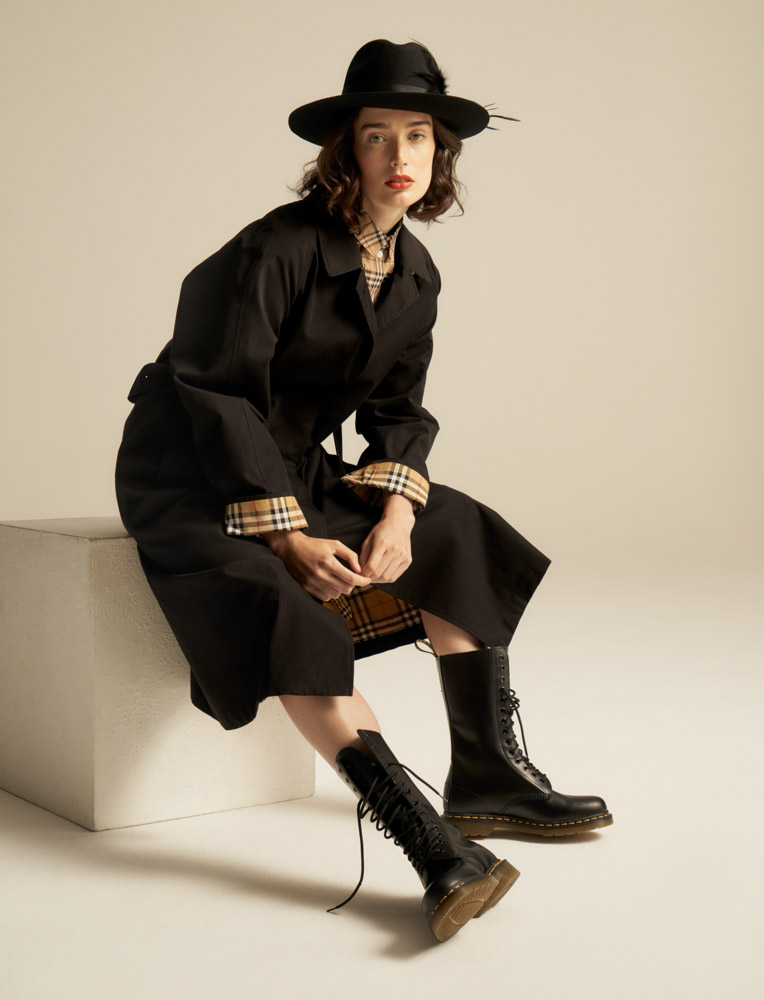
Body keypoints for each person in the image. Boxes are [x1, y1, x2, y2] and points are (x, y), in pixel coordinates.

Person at [115, 39, 612, 942]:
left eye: (417, 136)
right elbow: (216, 394)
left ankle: (489, 776)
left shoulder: (414, 271)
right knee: (293, 617)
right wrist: (285, 536)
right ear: (344, 149)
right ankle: (436, 852)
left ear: (440, 153)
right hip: (188, 472)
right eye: (376, 135)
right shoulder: (274, 248)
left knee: (459, 528)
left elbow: (399, 409)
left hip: (291, 464)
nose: (399, 156)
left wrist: (399, 510)